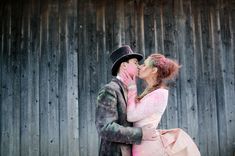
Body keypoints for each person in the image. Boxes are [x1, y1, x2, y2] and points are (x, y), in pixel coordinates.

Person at [121, 53, 201, 156]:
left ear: (154, 70)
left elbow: (131, 116)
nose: (140, 67)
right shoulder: (150, 91)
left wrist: (132, 88)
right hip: (142, 144)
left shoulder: (160, 94)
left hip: (148, 148)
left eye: (144, 65)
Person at [95, 45, 159, 156]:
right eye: (135, 63)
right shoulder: (110, 90)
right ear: (124, 65)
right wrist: (141, 133)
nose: (139, 66)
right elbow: (105, 128)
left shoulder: (130, 90)